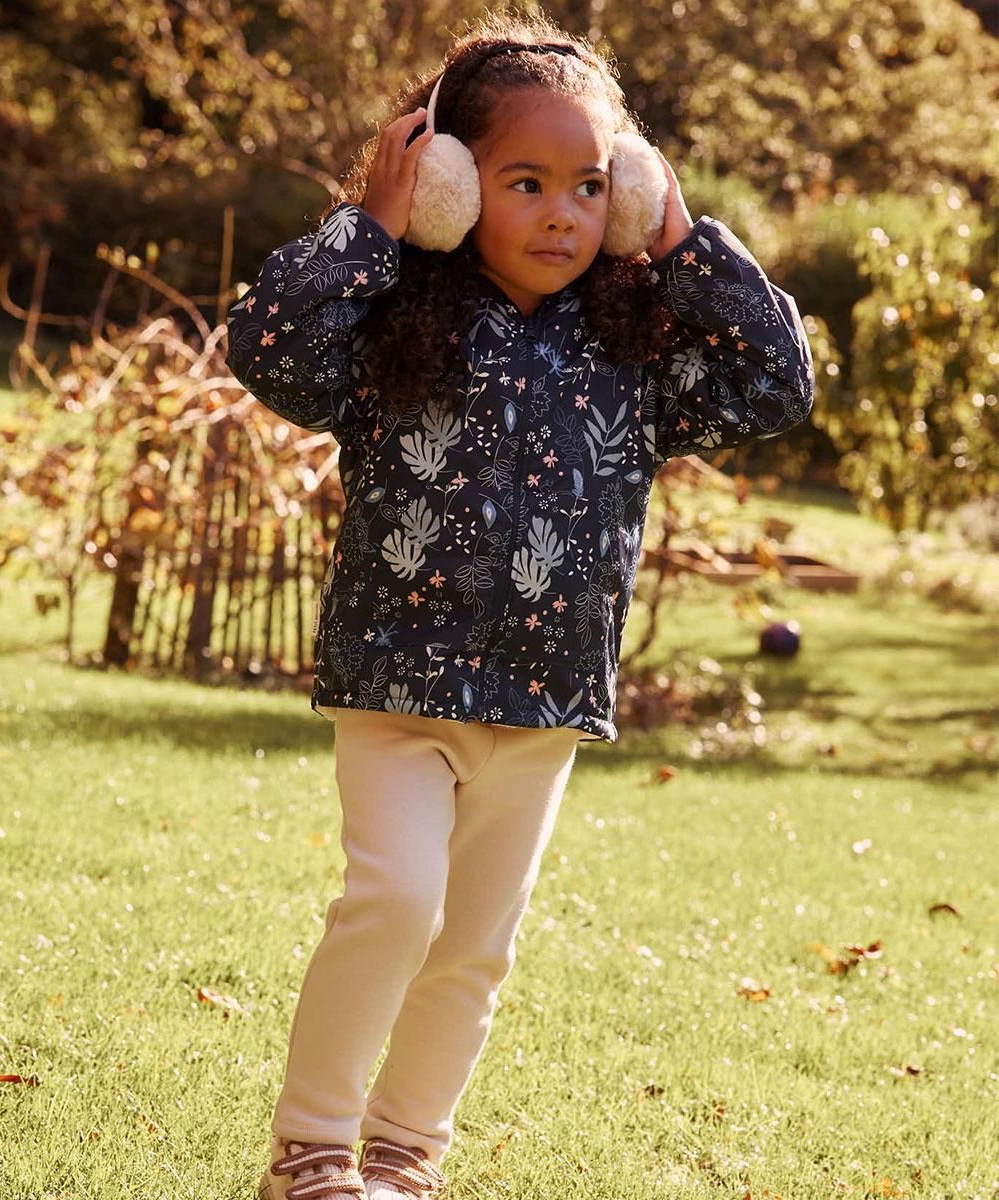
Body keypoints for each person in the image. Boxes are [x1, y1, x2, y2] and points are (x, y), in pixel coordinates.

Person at [224, 12, 814, 1199]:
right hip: (395, 684)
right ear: (449, 184)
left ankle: (401, 1158)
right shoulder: (388, 323)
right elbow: (267, 344)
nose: (562, 212)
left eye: (592, 185)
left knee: (473, 949)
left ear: (628, 196)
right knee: (395, 897)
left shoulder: (636, 346)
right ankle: (312, 1148)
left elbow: (778, 383)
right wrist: (372, 227)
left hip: (544, 701)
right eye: (524, 182)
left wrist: (683, 238)